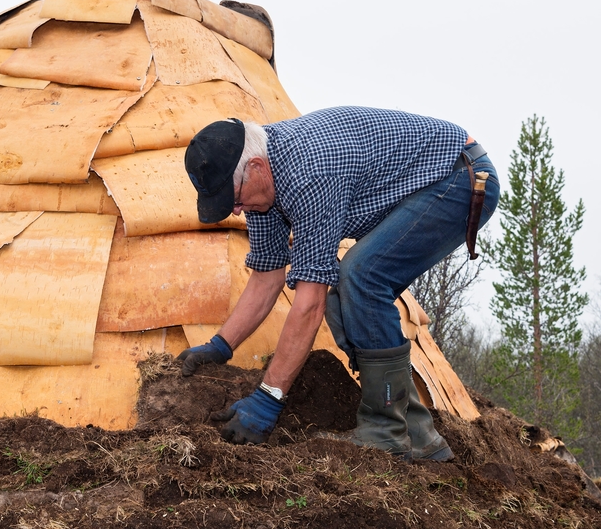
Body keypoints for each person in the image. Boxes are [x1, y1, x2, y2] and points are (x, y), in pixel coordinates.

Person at [177, 108, 499, 460]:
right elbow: (267, 276)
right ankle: (418, 436)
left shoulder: (308, 173)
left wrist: (269, 398)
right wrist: (221, 345)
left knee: (362, 276)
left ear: (256, 167)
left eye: (234, 198)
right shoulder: (261, 188)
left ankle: (385, 433)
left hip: (458, 177)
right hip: (434, 180)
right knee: (346, 292)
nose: (236, 210)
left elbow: (308, 304)